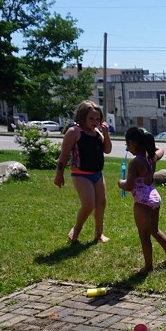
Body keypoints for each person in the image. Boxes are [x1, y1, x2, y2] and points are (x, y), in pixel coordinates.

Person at [117, 127, 166, 273]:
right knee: (155, 230)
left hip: (142, 202)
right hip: (154, 198)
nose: (127, 148)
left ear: (132, 143)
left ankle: (148, 267)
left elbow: (129, 185)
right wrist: (149, 145)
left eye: (127, 145)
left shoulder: (135, 163)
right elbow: (161, 149)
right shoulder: (152, 157)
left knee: (144, 235)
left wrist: (121, 182)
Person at [54, 100, 113, 243]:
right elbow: (64, 155)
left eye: (98, 119)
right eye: (91, 118)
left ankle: (99, 234)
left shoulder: (97, 132)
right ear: (82, 117)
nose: (95, 121)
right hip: (81, 174)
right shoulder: (74, 132)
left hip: (97, 174)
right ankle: (76, 230)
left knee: (101, 204)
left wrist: (105, 132)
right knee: (88, 205)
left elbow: (107, 150)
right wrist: (59, 174)